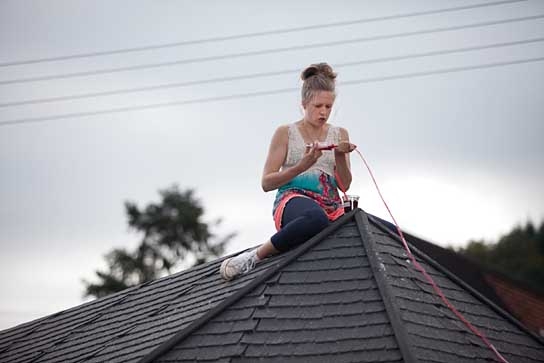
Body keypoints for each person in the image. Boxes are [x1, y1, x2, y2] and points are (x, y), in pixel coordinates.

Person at [220, 62, 357, 280]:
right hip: (293, 200)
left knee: (366, 226)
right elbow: (266, 183)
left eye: (328, 107)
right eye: (318, 106)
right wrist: (301, 166)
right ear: (304, 103)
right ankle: (254, 257)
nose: (323, 112)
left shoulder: (340, 134)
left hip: (331, 205)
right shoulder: (286, 133)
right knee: (316, 219)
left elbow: (345, 185)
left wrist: (340, 155)